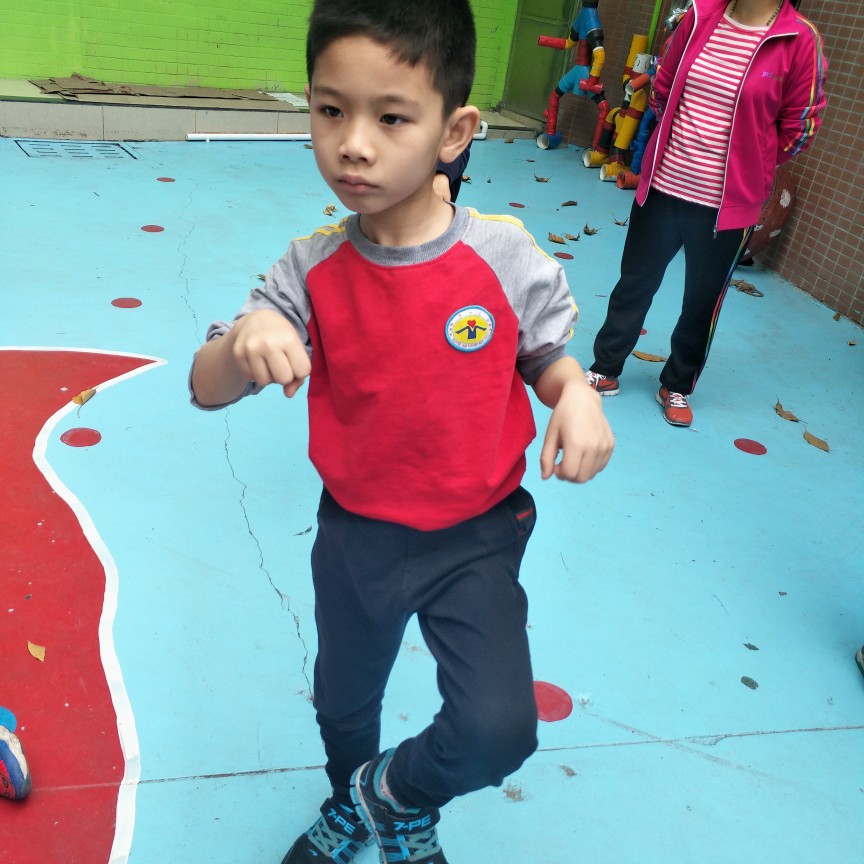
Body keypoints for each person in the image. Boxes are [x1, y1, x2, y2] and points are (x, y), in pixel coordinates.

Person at [190, 1, 613, 861]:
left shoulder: (503, 257)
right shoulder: (310, 269)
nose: (353, 144)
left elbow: (547, 359)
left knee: (498, 729)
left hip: (477, 536)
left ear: (455, 131)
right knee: (343, 703)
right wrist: (244, 341)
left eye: (391, 117)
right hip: (358, 538)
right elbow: (206, 386)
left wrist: (577, 394)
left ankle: (388, 799)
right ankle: (352, 797)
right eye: (330, 109)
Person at [585, 0, 827, 427]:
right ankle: (605, 368)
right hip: (663, 187)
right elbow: (662, 87)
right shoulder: (698, 16)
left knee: (702, 302)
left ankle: (676, 384)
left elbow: (801, 126)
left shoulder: (799, 39)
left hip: (726, 207)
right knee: (634, 284)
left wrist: (755, 162)